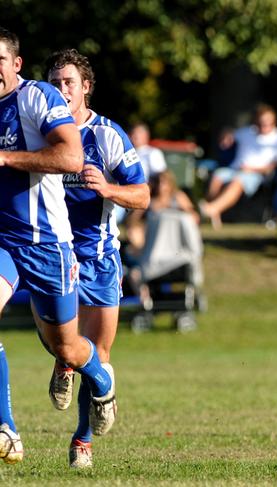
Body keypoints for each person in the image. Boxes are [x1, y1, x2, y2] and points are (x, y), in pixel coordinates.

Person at [0, 27, 115, 464]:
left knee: (65, 347)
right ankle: (6, 428)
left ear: (16, 64)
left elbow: (70, 158)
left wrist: (6, 158)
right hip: (4, 243)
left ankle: (101, 382)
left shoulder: (37, 98)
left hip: (49, 245)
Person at [45, 48, 150, 468]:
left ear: (85, 87)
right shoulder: (40, 133)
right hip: (54, 255)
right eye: (54, 83)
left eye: (68, 82)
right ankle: (63, 361)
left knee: (99, 357)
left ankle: (81, 443)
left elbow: (141, 195)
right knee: (66, 346)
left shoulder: (107, 136)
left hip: (101, 259)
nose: (61, 89)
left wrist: (107, 190)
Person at [200, 104, 277, 228]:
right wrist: (226, 137)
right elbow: (229, 135)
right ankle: (213, 214)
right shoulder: (246, 132)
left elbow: (276, 165)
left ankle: (212, 209)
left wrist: (251, 169)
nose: (264, 125)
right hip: (234, 169)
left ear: (274, 121)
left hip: (257, 174)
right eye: (261, 122)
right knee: (217, 176)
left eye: (267, 122)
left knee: (238, 181)